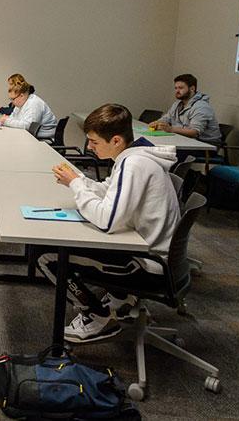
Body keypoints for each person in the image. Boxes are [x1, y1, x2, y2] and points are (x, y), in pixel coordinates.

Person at [39, 104, 181, 343]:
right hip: (151, 252)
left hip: (148, 266)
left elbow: (107, 221)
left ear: (115, 140)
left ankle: (97, 317)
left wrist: (76, 186)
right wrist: (80, 180)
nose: (89, 147)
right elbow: (109, 191)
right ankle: (121, 296)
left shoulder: (133, 165)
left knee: (48, 256)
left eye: (94, 142)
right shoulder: (135, 156)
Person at [148, 73, 222, 144]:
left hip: (204, 146)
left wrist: (171, 129)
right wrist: (157, 123)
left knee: (160, 149)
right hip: (184, 141)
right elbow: (167, 118)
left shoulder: (201, 106)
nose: (177, 91)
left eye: (180, 88)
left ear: (192, 89)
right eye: (176, 88)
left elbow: (194, 132)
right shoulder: (177, 104)